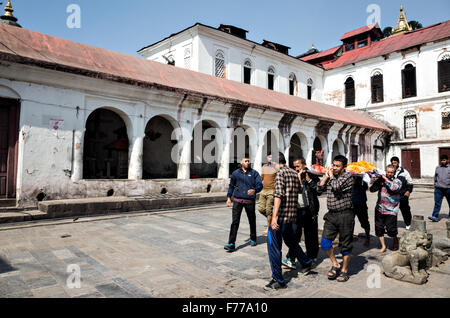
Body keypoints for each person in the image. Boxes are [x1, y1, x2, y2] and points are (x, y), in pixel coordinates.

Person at [265, 153, 315, 291]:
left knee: (273, 247)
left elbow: (278, 195)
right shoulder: (293, 173)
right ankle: (306, 261)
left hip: (280, 217)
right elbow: (299, 190)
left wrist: (273, 218)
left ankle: (278, 280)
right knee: (291, 241)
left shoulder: (280, 173)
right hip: (291, 216)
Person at [317, 155, 355, 282]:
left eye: (337, 166)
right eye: (333, 165)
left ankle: (344, 270)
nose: (334, 168)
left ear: (344, 167)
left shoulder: (348, 177)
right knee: (325, 243)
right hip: (331, 215)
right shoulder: (331, 176)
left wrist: (331, 177)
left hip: (345, 214)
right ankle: (335, 263)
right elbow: (319, 189)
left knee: (345, 245)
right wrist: (326, 177)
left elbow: (337, 186)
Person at [282, 157, 320, 269]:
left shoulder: (311, 175)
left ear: (304, 165)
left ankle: (311, 257)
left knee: (311, 235)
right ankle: (291, 258)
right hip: (296, 210)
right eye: (294, 167)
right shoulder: (293, 176)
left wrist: (308, 179)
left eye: (298, 166)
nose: (296, 168)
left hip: (310, 209)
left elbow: (319, 189)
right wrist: (298, 177)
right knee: (294, 235)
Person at [225, 157, 263, 252]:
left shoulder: (254, 173)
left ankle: (253, 238)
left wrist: (255, 190)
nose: (247, 163)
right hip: (237, 201)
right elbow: (231, 186)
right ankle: (231, 243)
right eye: (245, 161)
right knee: (235, 222)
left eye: (248, 161)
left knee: (252, 220)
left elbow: (260, 185)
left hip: (249, 201)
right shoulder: (235, 173)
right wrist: (229, 197)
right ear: (241, 162)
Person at [369, 165, 403, 253]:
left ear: (394, 173)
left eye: (391, 172)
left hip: (391, 210)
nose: (389, 174)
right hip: (380, 208)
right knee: (379, 228)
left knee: (391, 230)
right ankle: (383, 246)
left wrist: (385, 179)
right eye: (388, 172)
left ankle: (395, 239)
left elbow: (394, 188)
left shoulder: (398, 181)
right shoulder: (382, 180)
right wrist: (377, 181)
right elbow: (372, 190)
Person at [390, 156, 414, 229]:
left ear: (398, 163)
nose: (394, 164)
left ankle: (408, 224)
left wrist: (408, 192)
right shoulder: (390, 172)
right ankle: (390, 226)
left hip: (402, 195)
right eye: (392, 163)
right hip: (393, 196)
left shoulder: (404, 172)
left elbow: (410, 183)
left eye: (395, 163)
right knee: (391, 211)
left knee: (405, 210)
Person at [258, 153, 277, 235]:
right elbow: (261, 177)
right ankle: (273, 219)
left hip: (272, 190)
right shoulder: (264, 166)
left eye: (272, 157)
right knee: (261, 209)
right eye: (269, 157)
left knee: (269, 210)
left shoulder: (276, 167)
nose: (270, 158)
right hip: (263, 190)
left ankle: (268, 228)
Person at [429, 154, 450, 222]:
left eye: (444, 160)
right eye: (441, 160)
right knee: (437, 203)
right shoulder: (437, 168)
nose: (442, 161)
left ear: (447, 160)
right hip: (438, 189)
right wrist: (435, 185)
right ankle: (435, 216)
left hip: (448, 189)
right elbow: (435, 177)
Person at [352, 174, 371, 246]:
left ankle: (368, 238)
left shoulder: (363, 179)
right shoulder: (350, 178)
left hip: (361, 205)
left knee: (364, 222)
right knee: (350, 222)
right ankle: (350, 237)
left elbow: (366, 187)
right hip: (351, 205)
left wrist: (360, 180)